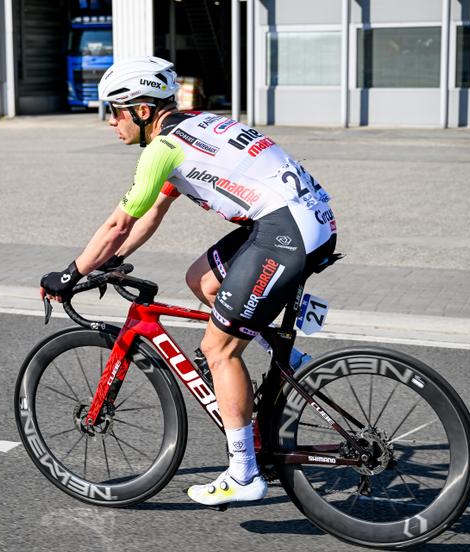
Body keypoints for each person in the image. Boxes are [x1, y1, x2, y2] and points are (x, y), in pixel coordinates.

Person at [39, 56, 337, 507]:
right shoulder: (194, 125)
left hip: (286, 232)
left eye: (115, 111)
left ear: (142, 110)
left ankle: (243, 474)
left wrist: (70, 274)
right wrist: (113, 260)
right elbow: (151, 213)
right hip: (298, 221)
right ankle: (288, 358)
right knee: (202, 280)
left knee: (219, 349)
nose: (111, 122)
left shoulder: (163, 148)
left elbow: (119, 223)